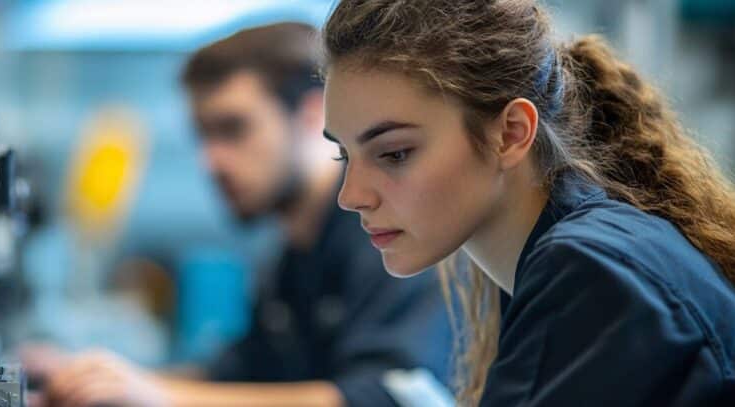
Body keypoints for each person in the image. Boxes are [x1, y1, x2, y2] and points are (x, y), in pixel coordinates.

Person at [320, 0, 735, 406]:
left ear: (510, 134)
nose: (351, 196)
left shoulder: (588, 271)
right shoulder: (567, 261)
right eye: (344, 155)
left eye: (395, 153)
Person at [22, 22, 453, 407]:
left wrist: (164, 396)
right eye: (203, 136)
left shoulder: (385, 237)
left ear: (312, 116)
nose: (211, 161)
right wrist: (93, 382)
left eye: (233, 129)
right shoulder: (291, 258)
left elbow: (389, 397)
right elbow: (237, 377)